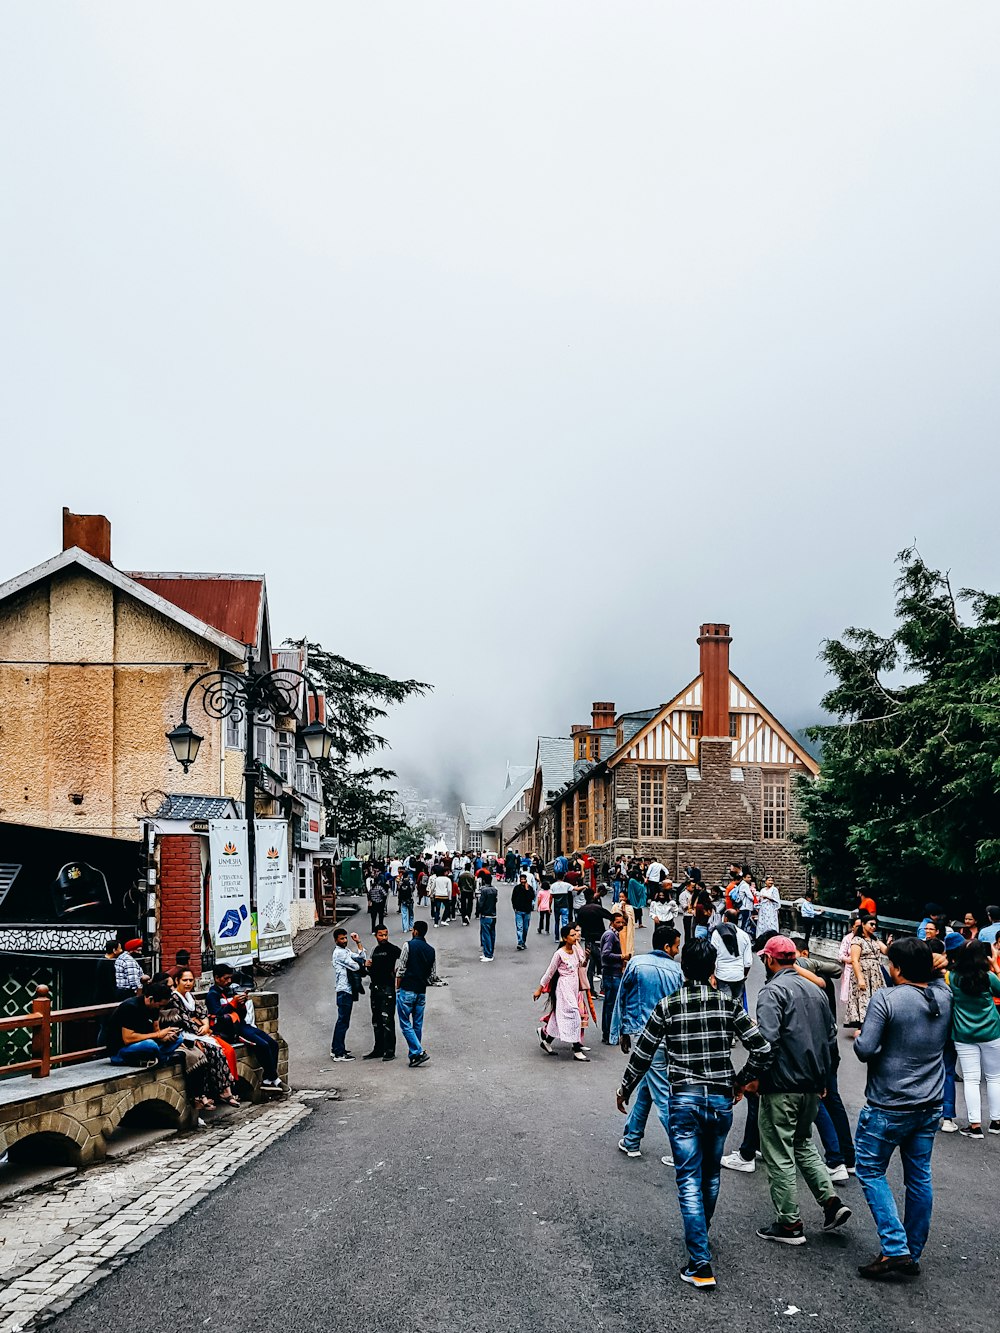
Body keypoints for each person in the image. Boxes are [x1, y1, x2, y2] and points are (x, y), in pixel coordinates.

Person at [615, 938, 772, 1290]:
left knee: (687, 1179)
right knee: (710, 1175)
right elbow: (762, 1048)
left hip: (683, 1101)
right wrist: (741, 1081)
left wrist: (625, 1087)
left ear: (684, 968)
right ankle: (702, 1231)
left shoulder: (667, 1007)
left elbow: (642, 1054)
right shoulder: (728, 1006)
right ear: (713, 969)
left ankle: (700, 1261)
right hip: (719, 1101)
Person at [853, 936, 952, 1279]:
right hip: (930, 1102)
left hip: (888, 1103)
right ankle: (912, 1249)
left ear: (895, 968)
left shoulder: (886, 999)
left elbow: (865, 1048)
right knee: (919, 1177)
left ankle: (895, 1248)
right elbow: (938, 973)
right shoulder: (943, 996)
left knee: (869, 1170)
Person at [753, 935, 851, 1245]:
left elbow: (766, 1044)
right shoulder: (816, 990)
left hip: (782, 1084)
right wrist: (824, 1081)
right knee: (803, 1143)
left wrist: (748, 1077)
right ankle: (831, 1202)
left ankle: (790, 1224)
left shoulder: (772, 992)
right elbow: (830, 1041)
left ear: (770, 960)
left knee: (779, 1151)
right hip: (813, 1084)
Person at [612, 924, 683, 1161]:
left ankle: (678, 1149)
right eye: (676, 946)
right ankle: (633, 1139)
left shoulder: (636, 963)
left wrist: (621, 1031)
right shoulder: (677, 971)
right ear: (666, 946)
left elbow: (622, 996)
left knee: (659, 1093)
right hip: (667, 1038)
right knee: (650, 1090)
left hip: (644, 1035)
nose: (677, 950)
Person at [165, 968, 241, 1108]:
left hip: (200, 1032)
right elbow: (184, 1020)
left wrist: (205, 1025)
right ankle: (205, 1095)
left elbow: (202, 1012)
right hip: (186, 1034)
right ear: (177, 981)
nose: (188, 983)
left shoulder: (190, 996)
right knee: (211, 1051)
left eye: (190, 980)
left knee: (220, 1051)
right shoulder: (174, 998)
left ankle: (225, 1090)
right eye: (185, 980)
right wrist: (200, 1029)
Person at [947, 939, 1000, 1137]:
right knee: (995, 1077)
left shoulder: (952, 977)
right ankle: (996, 1121)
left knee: (971, 1079)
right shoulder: (988, 977)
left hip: (964, 1032)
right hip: (992, 1030)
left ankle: (975, 1125)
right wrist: (996, 968)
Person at [207, 965, 283, 1087]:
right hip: (231, 1030)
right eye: (226, 979)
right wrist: (233, 1004)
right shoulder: (213, 995)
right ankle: (274, 1078)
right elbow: (218, 1016)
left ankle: (268, 1079)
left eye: (230, 978)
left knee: (273, 1044)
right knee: (262, 1045)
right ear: (217, 978)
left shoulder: (230, 990)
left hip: (242, 1024)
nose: (229, 981)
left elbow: (240, 1015)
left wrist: (242, 1005)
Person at [533, 924, 593, 1061]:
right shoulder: (559, 954)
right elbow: (550, 972)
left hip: (574, 986)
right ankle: (577, 1049)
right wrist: (539, 989)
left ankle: (547, 1041)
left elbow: (581, 966)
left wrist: (587, 958)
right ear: (565, 938)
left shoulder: (577, 951)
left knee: (557, 1017)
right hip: (564, 987)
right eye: (572, 935)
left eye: (575, 934)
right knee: (574, 1013)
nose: (575, 937)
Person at [107, 980, 184, 1067]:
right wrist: (158, 1035)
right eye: (159, 1005)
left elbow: (156, 1030)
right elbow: (128, 1038)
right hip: (121, 1049)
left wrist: (165, 1037)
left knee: (179, 1038)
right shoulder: (130, 1007)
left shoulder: (154, 1009)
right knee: (150, 1045)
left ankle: (157, 1059)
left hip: (144, 1043)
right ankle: (159, 1058)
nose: (161, 1008)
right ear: (151, 999)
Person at [395, 921, 438, 1067]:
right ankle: (414, 1054)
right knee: (417, 1024)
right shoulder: (431, 950)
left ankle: (418, 1051)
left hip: (407, 989)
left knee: (405, 1023)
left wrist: (397, 987)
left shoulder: (408, 945)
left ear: (416, 931)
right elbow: (432, 976)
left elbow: (401, 968)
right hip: (421, 991)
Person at [363, 926, 401, 1062]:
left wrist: (398, 971)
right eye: (381, 935)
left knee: (387, 1020)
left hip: (387, 989)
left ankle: (389, 1051)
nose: (384, 937)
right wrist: (367, 966)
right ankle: (378, 1049)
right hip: (375, 988)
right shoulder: (375, 950)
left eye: (386, 935)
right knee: (376, 1021)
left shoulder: (393, 949)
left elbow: (404, 958)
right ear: (376, 936)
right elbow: (371, 969)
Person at [329, 927, 367, 1062]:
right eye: (342, 938)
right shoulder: (339, 953)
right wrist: (362, 964)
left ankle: (337, 1048)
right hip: (344, 990)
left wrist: (358, 942)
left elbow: (361, 957)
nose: (345, 940)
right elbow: (356, 966)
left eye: (345, 938)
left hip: (347, 990)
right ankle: (339, 1052)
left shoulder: (345, 951)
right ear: (336, 940)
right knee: (343, 1022)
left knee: (342, 1021)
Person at [846, 913, 888, 1030]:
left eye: (875, 925)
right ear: (863, 925)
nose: (874, 927)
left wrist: (890, 944)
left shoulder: (875, 940)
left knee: (876, 997)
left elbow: (886, 951)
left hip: (875, 973)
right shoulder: (857, 940)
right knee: (863, 998)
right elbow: (854, 960)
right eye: (871, 924)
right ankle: (863, 1025)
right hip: (863, 972)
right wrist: (860, 978)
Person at [710, 911, 753, 1005]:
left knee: (725, 1006)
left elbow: (712, 956)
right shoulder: (744, 935)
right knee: (738, 1007)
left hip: (722, 975)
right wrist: (743, 974)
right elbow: (748, 962)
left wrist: (712, 976)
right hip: (738, 976)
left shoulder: (716, 934)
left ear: (725, 919)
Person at [576, 888, 613, 994]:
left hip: (588, 939)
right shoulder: (597, 908)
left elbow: (579, 925)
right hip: (599, 938)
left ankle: (590, 989)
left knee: (590, 965)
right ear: (593, 895)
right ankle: (604, 988)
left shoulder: (582, 910)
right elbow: (610, 916)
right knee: (603, 963)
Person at [600, 911, 627, 1045]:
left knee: (609, 1004)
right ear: (612, 922)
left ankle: (608, 1032)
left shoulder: (612, 934)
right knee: (611, 1004)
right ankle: (609, 1033)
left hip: (612, 973)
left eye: (622, 922)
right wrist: (622, 957)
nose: (621, 924)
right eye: (618, 922)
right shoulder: (610, 935)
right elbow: (606, 954)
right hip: (611, 974)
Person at [476, 871, 499, 962]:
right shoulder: (494, 890)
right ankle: (489, 953)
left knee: (486, 935)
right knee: (492, 934)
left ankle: (488, 954)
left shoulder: (483, 890)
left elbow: (481, 903)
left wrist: (478, 911)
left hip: (486, 914)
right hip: (493, 914)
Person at [511, 872, 535, 950]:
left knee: (525, 928)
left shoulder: (529, 888)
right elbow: (513, 898)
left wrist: (527, 890)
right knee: (519, 927)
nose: (523, 881)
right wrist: (514, 907)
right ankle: (520, 942)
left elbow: (532, 897)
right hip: (518, 910)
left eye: (524, 879)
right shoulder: (517, 888)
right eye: (521, 879)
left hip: (527, 910)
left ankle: (523, 941)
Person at [94, 938, 122, 1005]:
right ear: (114, 950)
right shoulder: (106, 963)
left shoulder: (104, 960)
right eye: (120, 949)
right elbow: (108, 983)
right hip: (105, 999)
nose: (121, 951)